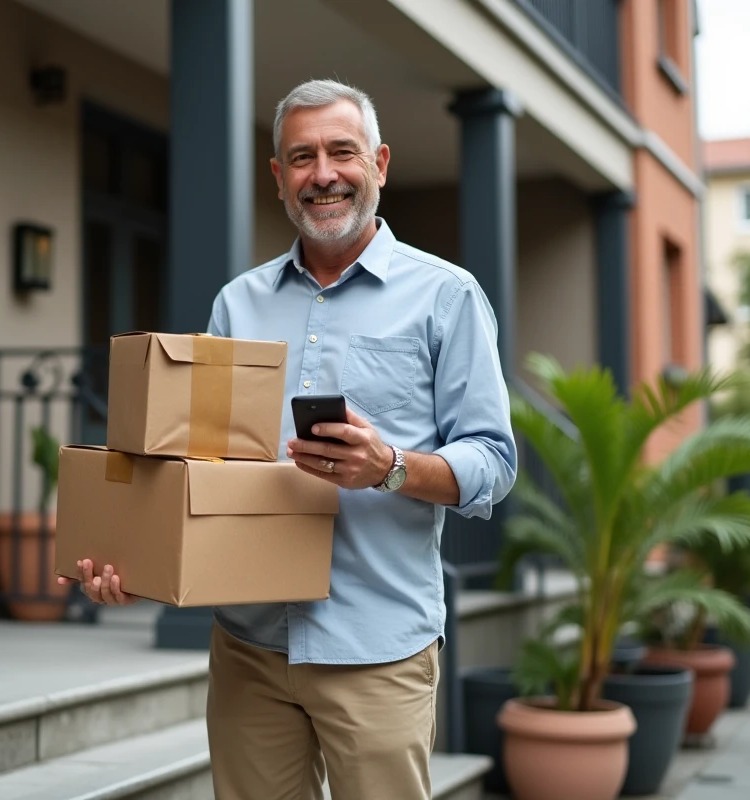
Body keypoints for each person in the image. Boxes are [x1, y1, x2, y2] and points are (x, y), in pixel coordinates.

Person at [58, 78, 517, 800]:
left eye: (342, 152)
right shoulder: (237, 303)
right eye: (301, 158)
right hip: (250, 648)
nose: (323, 174)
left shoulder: (447, 296)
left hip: (377, 646)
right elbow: (195, 467)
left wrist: (390, 467)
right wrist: (132, 562)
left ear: (381, 163)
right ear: (278, 178)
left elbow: (493, 462)